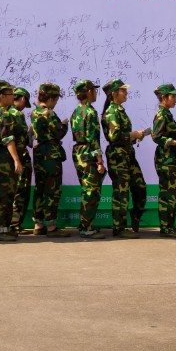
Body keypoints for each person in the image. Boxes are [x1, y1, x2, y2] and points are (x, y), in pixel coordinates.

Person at [102, 79, 145, 238]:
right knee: (121, 191)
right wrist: (133, 134)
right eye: (123, 90)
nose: (126, 93)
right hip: (118, 156)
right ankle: (119, 227)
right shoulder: (112, 112)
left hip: (127, 153)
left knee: (140, 187)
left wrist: (135, 137)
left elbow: (122, 136)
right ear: (114, 94)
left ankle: (135, 215)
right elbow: (114, 136)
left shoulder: (120, 110)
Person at [30, 82, 69, 237]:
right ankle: (51, 226)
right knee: (52, 189)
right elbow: (58, 133)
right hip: (51, 154)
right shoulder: (49, 113)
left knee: (40, 188)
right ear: (51, 98)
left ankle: (38, 224)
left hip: (39, 152)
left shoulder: (34, 112)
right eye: (56, 99)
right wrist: (64, 125)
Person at [151, 83, 176, 238]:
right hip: (165, 160)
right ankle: (166, 228)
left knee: (172, 193)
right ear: (164, 98)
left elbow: (168, 133)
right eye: (173, 96)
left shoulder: (167, 114)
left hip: (170, 159)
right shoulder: (161, 115)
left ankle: (169, 225)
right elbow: (157, 137)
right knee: (167, 194)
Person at [0, 79, 22, 242]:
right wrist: (16, 160)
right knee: (3, 194)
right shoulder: (3, 114)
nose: (13, 96)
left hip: (1, 157)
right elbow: (8, 139)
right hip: (4, 159)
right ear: (2, 96)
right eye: (10, 94)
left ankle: (5, 228)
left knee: (7, 194)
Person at [71, 80, 106, 239]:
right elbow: (93, 139)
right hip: (89, 153)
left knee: (87, 190)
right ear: (89, 92)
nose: (96, 94)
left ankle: (86, 225)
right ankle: (86, 227)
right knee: (91, 192)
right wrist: (99, 161)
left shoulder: (76, 111)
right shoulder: (90, 112)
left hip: (79, 152)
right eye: (94, 90)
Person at [9, 87, 34, 235]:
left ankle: (13, 224)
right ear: (23, 99)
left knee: (14, 192)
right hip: (19, 157)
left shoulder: (5, 112)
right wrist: (30, 133)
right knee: (19, 192)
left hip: (10, 158)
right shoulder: (16, 114)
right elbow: (22, 140)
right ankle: (14, 225)